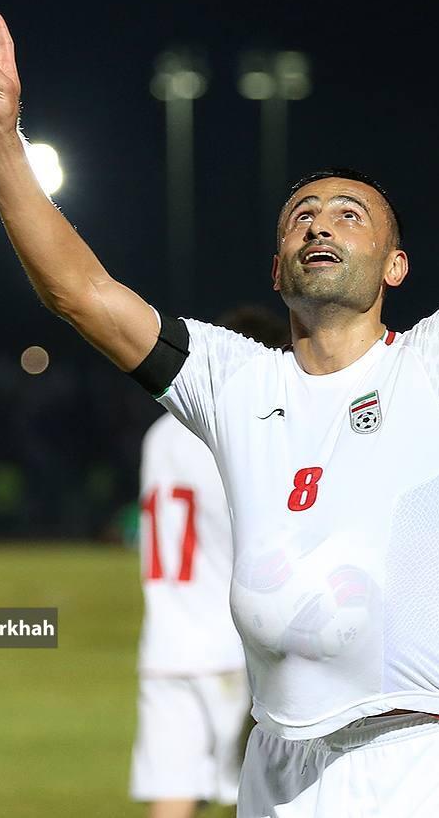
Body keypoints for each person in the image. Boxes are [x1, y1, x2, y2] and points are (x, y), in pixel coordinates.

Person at [0, 0, 439, 817]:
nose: (321, 225)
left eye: (349, 215)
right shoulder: (231, 378)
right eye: (302, 216)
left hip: (419, 758)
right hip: (274, 770)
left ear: (396, 264)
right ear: (276, 265)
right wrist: (2, 146)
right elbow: (81, 294)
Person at [130, 307, 288, 818]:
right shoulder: (238, 434)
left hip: (167, 645)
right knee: (281, 797)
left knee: (172, 797)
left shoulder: (159, 434)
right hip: (233, 646)